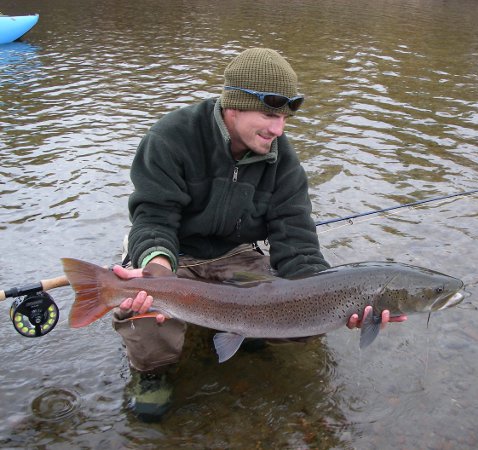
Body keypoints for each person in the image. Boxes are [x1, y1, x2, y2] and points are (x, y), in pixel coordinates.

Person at [113, 48, 404, 422]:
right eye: (269, 115)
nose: (278, 129)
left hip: (236, 255)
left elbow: (296, 240)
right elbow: (153, 217)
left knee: (309, 320)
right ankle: (152, 375)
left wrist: (336, 299)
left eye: (283, 117)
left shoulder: (282, 159)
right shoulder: (172, 137)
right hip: (173, 252)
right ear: (233, 107)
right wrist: (155, 268)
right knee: (144, 308)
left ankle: (245, 330)